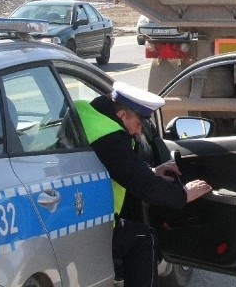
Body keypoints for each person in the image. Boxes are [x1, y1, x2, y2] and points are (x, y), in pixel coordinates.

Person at [75, 81, 212, 287]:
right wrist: (184, 194)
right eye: (139, 125)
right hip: (91, 225)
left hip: (74, 217)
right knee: (143, 238)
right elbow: (146, 187)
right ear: (122, 115)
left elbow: (119, 169)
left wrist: (152, 171)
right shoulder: (109, 136)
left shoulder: (85, 114)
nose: (138, 133)